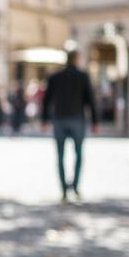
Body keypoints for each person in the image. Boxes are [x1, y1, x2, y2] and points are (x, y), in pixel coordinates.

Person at [41, 48, 97, 203]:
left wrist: (44, 119)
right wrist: (95, 121)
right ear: (77, 59)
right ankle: (76, 185)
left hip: (59, 119)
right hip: (77, 119)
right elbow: (90, 100)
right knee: (78, 154)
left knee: (60, 156)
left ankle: (64, 189)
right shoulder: (83, 76)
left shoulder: (54, 77)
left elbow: (46, 100)